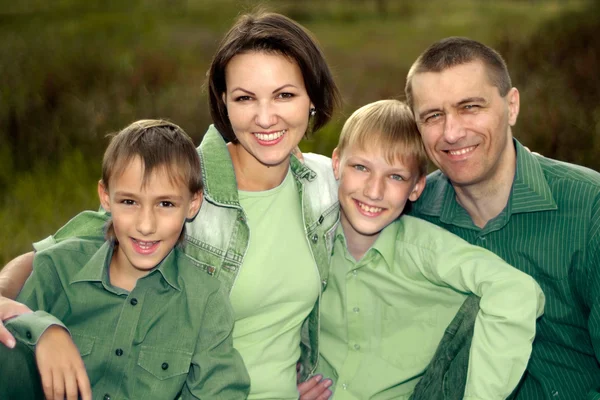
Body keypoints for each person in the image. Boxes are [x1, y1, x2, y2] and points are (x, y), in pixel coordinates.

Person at [0, 11, 340, 400]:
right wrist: (3, 298)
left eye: (285, 95)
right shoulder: (180, 186)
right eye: (245, 98)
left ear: (311, 97)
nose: (265, 117)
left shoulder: (324, 185)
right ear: (224, 103)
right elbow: (57, 254)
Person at [405, 36, 600, 399]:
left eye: (470, 107)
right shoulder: (408, 214)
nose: (452, 132)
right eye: (433, 115)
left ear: (511, 107)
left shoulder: (590, 207)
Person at [0, 119, 250, 400]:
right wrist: (43, 329)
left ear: (193, 203)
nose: (145, 225)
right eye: (129, 202)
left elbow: (221, 392)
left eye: (165, 204)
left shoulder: (205, 301)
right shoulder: (57, 269)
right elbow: (9, 348)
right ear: (106, 197)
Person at [314, 99, 544, 399]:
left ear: (417, 187)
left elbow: (517, 291)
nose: (374, 191)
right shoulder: (312, 241)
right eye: (361, 167)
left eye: (395, 176)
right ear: (336, 164)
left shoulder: (425, 249)